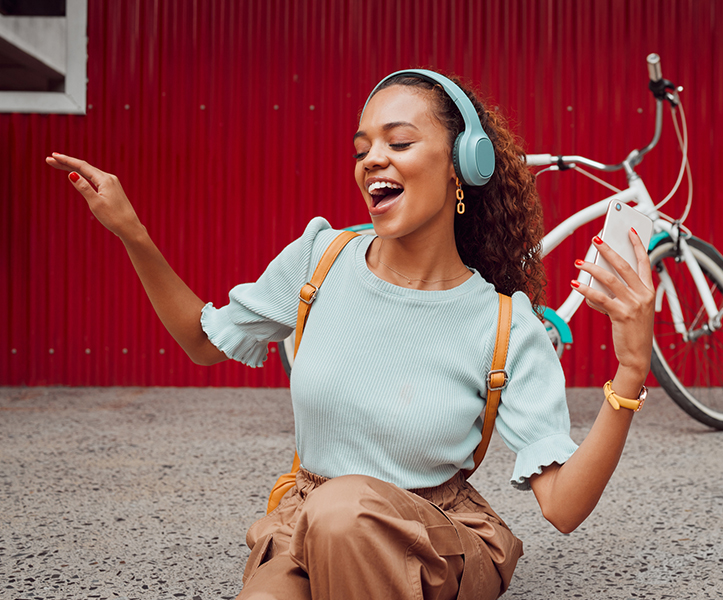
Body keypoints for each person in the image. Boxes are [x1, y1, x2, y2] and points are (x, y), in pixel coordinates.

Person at [46, 69, 655, 600]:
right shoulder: (321, 259)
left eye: (399, 142)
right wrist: (133, 234)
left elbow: (564, 506)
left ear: (462, 164)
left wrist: (629, 370)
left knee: (342, 510)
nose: (372, 161)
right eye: (362, 148)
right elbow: (205, 342)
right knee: (317, 529)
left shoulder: (503, 324)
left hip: (434, 539)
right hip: (306, 518)